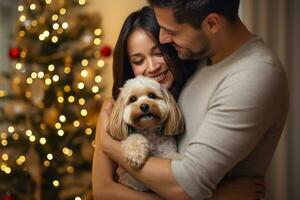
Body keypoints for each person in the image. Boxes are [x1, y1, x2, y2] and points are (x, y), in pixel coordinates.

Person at [93, 5, 267, 200]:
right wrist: (217, 196)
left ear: (173, 47)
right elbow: (103, 191)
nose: (151, 67)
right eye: (138, 60)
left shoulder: (196, 86)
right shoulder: (115, 108)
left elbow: (187, 182)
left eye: (158, 53)